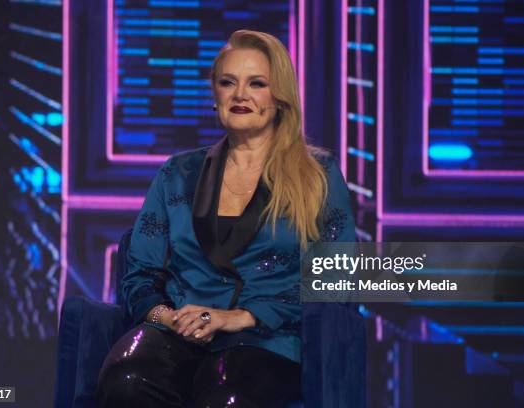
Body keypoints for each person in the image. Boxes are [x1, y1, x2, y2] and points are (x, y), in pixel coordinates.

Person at [96, 29, 355, 408]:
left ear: (280, 97)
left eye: (257, 84)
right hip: (176, 334)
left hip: (267, 338)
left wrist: (243, 317)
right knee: (127, 380)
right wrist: (168, 318)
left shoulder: (318, 176)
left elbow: (336, 276)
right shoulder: (177, 173)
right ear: (214, 94)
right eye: (228, 82)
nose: (240, 95)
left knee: (225, 398)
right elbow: (141, 274)